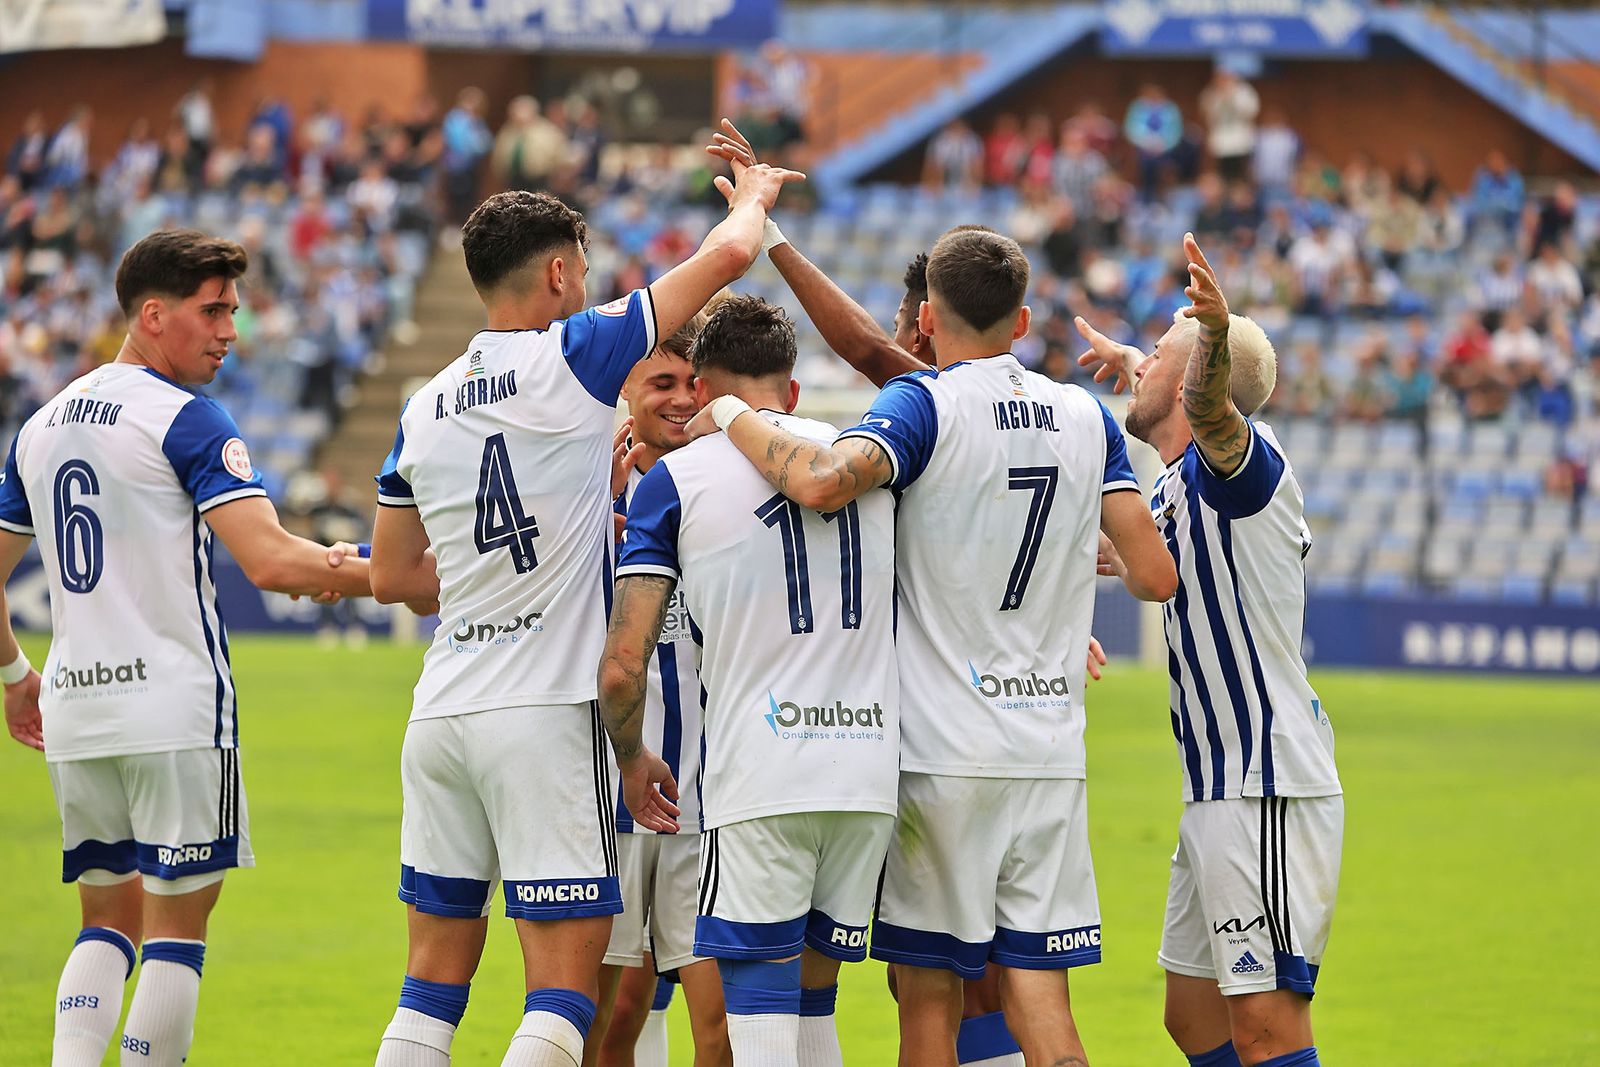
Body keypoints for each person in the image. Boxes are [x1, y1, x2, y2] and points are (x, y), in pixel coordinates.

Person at [685, 225, 1176, 1066]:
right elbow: (1156, 576)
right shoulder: (1084, 415)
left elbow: (823, 482)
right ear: (1022, 322)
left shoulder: (924, 404)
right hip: (1050, 754)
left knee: (927, 1002)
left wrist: (731, 411)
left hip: (944, 755)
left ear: (925, 318)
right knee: (1042, 1002)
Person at [365, 146, 799, 1067]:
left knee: (429, 987)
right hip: (543, 717)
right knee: (563, 994)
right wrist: (756, 195)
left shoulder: (424, 404)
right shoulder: (574, 353)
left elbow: (395, 577)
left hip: (441, 710)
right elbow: (728, 255)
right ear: (560, 273)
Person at [0, 228, 373, 1067]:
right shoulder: (187, 418)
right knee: (176, 932)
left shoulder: (41, 423)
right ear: (153, 315)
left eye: (233, 311)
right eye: (213, 311)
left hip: (77, 709)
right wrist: (391, 576)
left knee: (105, 920)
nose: (230, 331)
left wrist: (16, 675)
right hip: (172, 708)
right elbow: (272, 561)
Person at [601, 296, 901, 1067]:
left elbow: (623, 662)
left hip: (761, 778)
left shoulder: (676, 479)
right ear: (793, 390)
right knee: (814, 1007)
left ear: (703, 390)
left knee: (758, 1019)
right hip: (867, 776)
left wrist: (630, 756)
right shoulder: (869, 456)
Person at [1077, 234, 1342, 1067]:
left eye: (1160, 350)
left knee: (1265, 1024)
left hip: (1264, 781)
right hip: (1216, 786)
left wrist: (1211, 339)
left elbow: (1212, 413)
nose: (1143, 357)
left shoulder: (1243, 466)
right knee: (1193, 1017)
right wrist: (1140, 363)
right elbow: (1150, 562)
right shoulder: (1173, 484)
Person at [587, 310, 731, 1067]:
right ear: (626, 392)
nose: (680, 398)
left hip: (706, 797)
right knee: (603, 1018)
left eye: (691, 382)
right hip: (605, 797)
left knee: (722, 1025)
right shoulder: (591, 500)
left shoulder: (732, 489)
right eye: (661, 382)